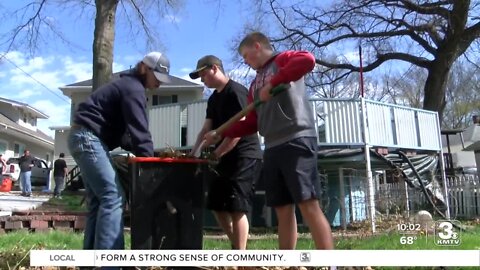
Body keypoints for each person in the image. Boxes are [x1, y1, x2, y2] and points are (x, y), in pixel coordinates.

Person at [204, 32, 334, 250]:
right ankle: (286, 263)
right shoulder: (254, 84)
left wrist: (274, 82)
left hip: (297, 139)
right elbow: (252, 122)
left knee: (307, 203)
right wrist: (220, 133)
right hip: (272, 147)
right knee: (283, 208)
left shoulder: (282, 60)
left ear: (257, 46)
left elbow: (308, 60)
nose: (245, 61)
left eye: (246, 55)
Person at [67, 51, 170, 255]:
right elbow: (140, 131)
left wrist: (152, 153)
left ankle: (90, 263)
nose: (159, 83)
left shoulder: (126, 87)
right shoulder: (133, 89)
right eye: (156, 77)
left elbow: (126, 138)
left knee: (99, 200)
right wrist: (151, 166)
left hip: (81, 137)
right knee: (113, 197)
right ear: (143, 68)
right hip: (89, 138)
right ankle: (111, 263)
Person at [189, 55, 262, 249]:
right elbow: (206, 130)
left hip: (244, 156)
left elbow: (239, 131)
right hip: (223, 157)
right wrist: (194, 153)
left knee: (236, 207)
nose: (202, 80)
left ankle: (240, 259)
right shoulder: (213, 99)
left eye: (203, 75)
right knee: (216, 206)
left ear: (214, 68)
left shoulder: (236, 92)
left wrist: (216, 154)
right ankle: (238, 249)